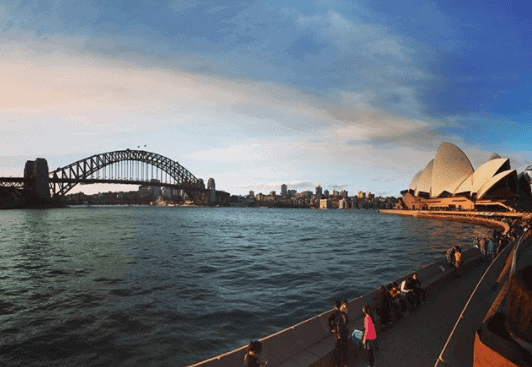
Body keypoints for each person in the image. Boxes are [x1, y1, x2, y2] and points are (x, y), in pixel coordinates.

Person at [329, 300, 349, 367]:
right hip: (342, 334)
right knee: (343, 349)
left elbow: (329, 321)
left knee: (339, 350)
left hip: (340, 335)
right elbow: (346, 322)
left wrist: (332, 329)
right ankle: (343, 363)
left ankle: (339, 364)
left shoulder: (335, 314)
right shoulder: (342, 313)